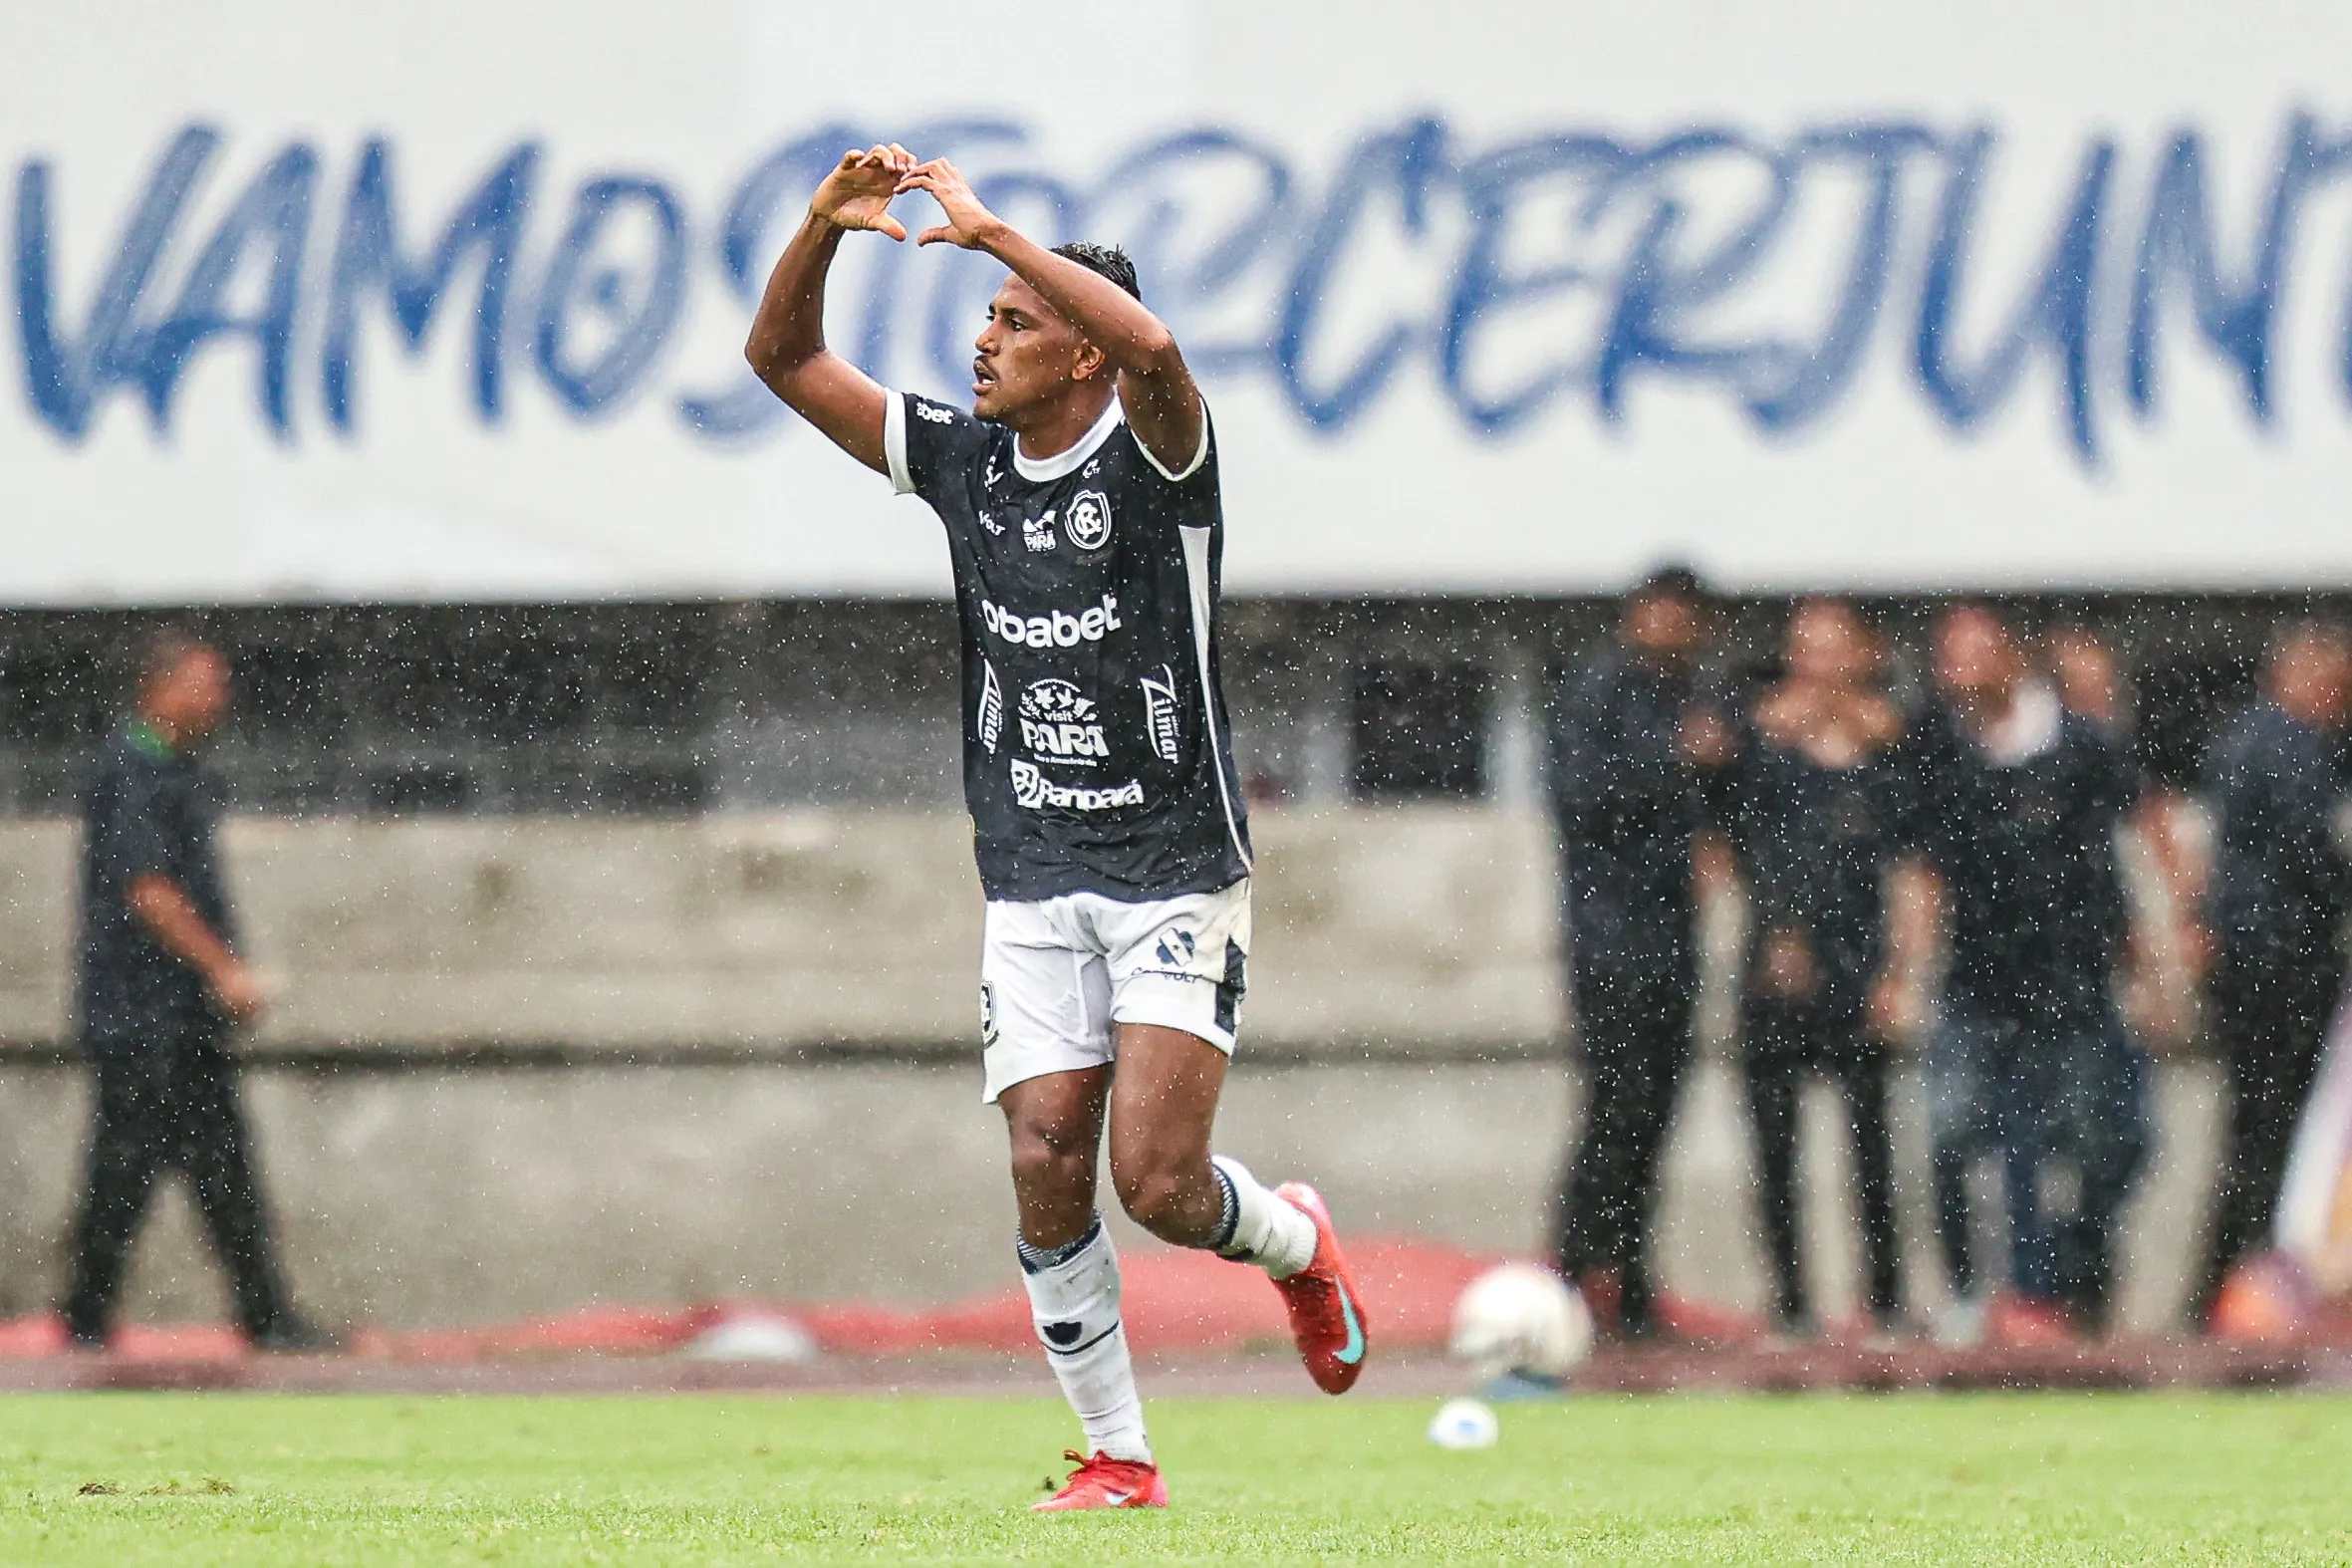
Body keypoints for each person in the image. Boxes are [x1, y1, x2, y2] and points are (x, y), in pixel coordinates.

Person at [743, 144, 1365, 1511]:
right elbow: (784, 359)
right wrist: (820, 228)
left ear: (1080, 356)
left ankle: (1291, 1239)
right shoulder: (968, 468)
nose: (983, 337)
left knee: (1155, 1181)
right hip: (1029, 865)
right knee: (1040, 1154)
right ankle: (1117, 1453)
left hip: (1173, 865)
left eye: (1015, 323)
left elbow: (1156, 347)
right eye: (987, 317)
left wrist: (989, 232)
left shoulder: (1158, 450)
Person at [62, 628, 326, 1352]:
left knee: (218, 1168)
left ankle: (264, 1314)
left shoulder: (179, 771)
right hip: (140, 1015)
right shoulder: (132, 770)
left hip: (178, 1018)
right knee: (129, 1173)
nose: (220, 698)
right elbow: (150, 891)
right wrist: (224, 968)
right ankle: (88, 1319)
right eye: (205, 682)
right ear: (159, 684)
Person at [1897, 605, 2143, 1341]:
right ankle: (1977, 1294)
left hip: (2068, 979)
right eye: (1948, 657)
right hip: (1976, 978)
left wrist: (2148, 959)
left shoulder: (2076, 744)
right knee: (1952, 1140)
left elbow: (2125, 846)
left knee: (2083, 1144)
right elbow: (1923, 867)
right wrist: (1907, 970)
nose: (1956, 672)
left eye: (1972, 654)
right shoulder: (1939, 748)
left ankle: (2050, 1289)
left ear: (2009, 657)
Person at [1544, 566, 1731, 1341]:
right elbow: (1584, 795)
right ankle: (1571, 1272)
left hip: (1669, 939)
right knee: (1614, 1111)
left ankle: (1628, 1278)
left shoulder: (1694, 692)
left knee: (1654, 1115)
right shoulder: (1599, 693)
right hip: (1611, 940)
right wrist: (1674, 761)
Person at [1720, 600, 1908, 1338]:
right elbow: (1734, 844)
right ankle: (1790, 1299)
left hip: (1858, 965)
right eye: (1805, 649)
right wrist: (1778, 927)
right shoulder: (1760, 742)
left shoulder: (1886, 747)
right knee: (1776, 1145)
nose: (1817, 664)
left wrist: (1898, 969)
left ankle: (1885, 1299)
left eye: (1832, 649)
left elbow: (1911, 864)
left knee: (1870, 1144)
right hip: (1776, 967)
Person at [2191, 620, 2352, 1327]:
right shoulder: (2285, 747)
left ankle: (2229, 1275)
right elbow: (2317, 852)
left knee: (2257, 1131)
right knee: (2276, 1132)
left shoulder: (2252, 743)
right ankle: (2247, 1277)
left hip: (2264, 963)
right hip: (2280, 968)